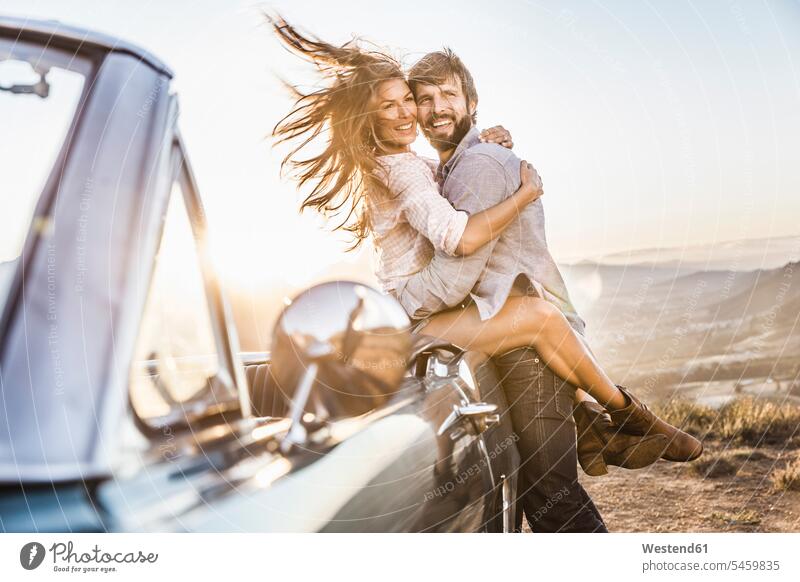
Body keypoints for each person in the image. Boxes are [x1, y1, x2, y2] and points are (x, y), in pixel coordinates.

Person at [269, 18, 702, 532]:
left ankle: (614, 420)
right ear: (371, 117)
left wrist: (489, 146)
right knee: (541, 336)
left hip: (453, 324)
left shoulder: (445, 164)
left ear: (470, 102)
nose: (418, 111)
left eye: (430, 98)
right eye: (408, 101)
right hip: (419, 319)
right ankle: (624, 418)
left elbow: (452, 228)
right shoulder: (410, 167)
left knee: (545, 480)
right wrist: (523, 192)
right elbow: (457, 244)